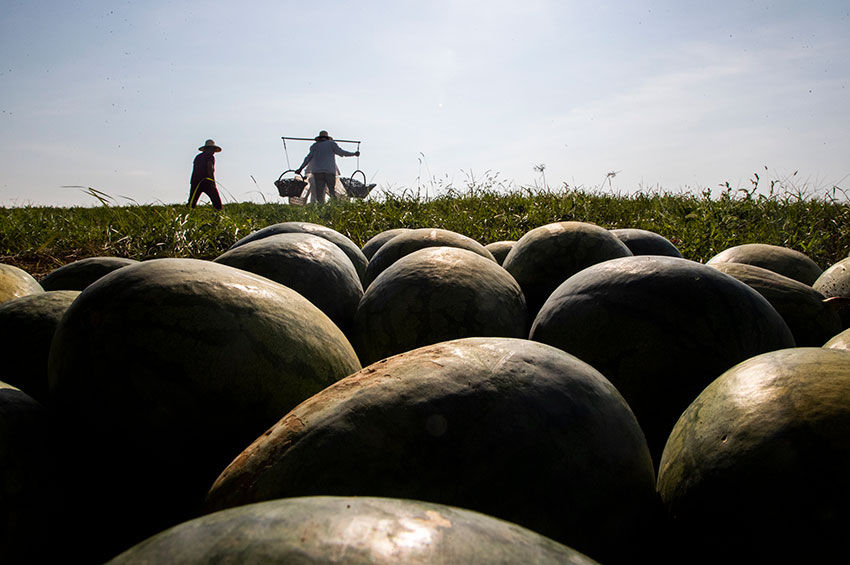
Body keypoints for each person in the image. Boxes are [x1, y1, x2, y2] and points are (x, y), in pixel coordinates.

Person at [295, 131, 360, 203]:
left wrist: (300, 168)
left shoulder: (315, 146)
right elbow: (341, 152)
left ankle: (321, 208)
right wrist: (353, 154)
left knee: (319, 193)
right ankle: (333, 207)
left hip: (318, 172)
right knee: (331, 191)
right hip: (329, 171)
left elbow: (308, 158)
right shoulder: (331, 144)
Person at [189, 139, 223, 210]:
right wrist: (212, 182)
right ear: (208, 149)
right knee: (217, 202)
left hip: (195, 181)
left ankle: (187, 216)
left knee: (191, 202)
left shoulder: (198, 157)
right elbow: (210, 169)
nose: (213, 151)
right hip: (206, 181)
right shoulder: (210, 157)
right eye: (212, 149)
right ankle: (219, 216)